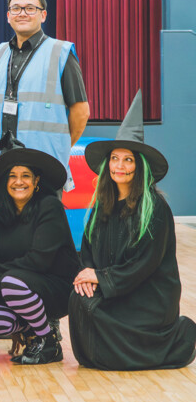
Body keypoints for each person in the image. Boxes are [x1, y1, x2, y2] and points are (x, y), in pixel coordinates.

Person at [69, 92, 196, 370]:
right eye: (115, 158)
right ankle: (111, 354)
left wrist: (100, 277)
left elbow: (144, 265)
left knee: (95, 311)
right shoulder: (101, 205)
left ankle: (175, 342)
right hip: (114, 289)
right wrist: (88, 275)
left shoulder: (156, 208)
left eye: (128, 160)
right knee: (80, 299)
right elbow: (87, 249)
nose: (120, 166)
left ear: (139, 165)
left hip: (147, 298)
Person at [0, 146, 79, 364]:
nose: (19, 182)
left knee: (10, 283)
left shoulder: (49, 206)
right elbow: (5, 261)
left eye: (25, 176)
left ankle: (49, 343)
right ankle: (31, 330)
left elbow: (39, 260)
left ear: (36, 181)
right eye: (12, 176)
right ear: (5, 182)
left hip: (57, 287)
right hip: (21, 287)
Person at [0, 0, 90, 191]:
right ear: (8, 16)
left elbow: (81, 111)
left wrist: (60, 146)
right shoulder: (1, 51)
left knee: (46, 211)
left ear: (43, 15)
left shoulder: (60, 52)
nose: (22, 13)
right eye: (16, 8)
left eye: (30, 8)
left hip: (45, 163)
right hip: (6, 162)